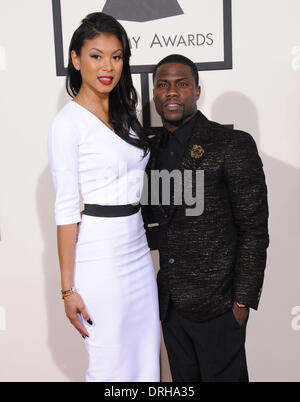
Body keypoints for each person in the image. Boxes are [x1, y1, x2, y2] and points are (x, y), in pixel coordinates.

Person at [47, 12, 160, 382]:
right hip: (100, 258)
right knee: (110, 365)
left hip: (138, 252)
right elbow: (66, 209)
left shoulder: (125, 115)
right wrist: (68, 289)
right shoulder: (67, 125)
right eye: (96, 56)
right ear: (76, 60)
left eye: (116, 56)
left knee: (145, 359)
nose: (107, 66)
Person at [142, 54, 269, 382]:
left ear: (197, 91)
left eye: (181, 84)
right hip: (171, 308)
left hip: (219, 307)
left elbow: (253, 228)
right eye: (163, 85)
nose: (172, 92)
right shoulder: (150, 152)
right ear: (154, 94)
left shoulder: (230, 144)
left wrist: (242, 299)